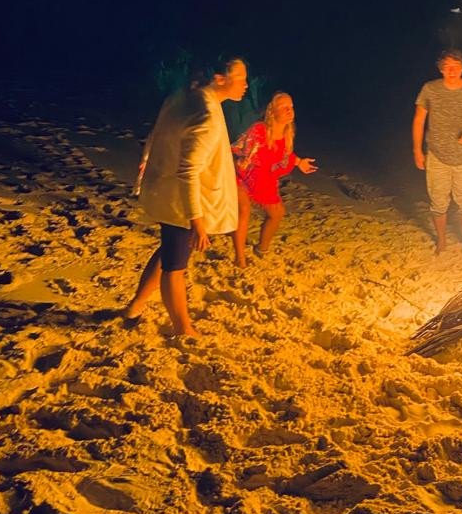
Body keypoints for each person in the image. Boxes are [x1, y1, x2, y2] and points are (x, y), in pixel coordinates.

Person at [124, 57, 248, 335]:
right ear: (219, 79)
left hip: (167, 190)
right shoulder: (205, 115)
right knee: (175, 266)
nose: (245, 84)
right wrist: (197, 220)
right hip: (182, 201)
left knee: (168, 251)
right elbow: (189, 171)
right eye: (240, 77)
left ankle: (135, 306)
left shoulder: (185, 96)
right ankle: (183, 328)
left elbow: (158, 137)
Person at [412, 48, 462, 260]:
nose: (452, 71)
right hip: (437, 156)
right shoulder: (430, 89)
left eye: (455, 67)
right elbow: (419, 120)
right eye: (447, 67)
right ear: (441, 69)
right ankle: (442, 241)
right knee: (438, 202)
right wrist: (417, 150)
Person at [231, 92, 317, 265]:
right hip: (239, 173)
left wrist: (299, 162)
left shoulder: (287, 132)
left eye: (291, 107)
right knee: (244, 210)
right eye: (283, 107)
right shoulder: (259, 130)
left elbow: (284, 155)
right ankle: (239, 257)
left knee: (277, 214)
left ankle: (261, 248)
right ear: (272, 112)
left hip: (262, 177)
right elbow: (243, 159)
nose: (289, 110)